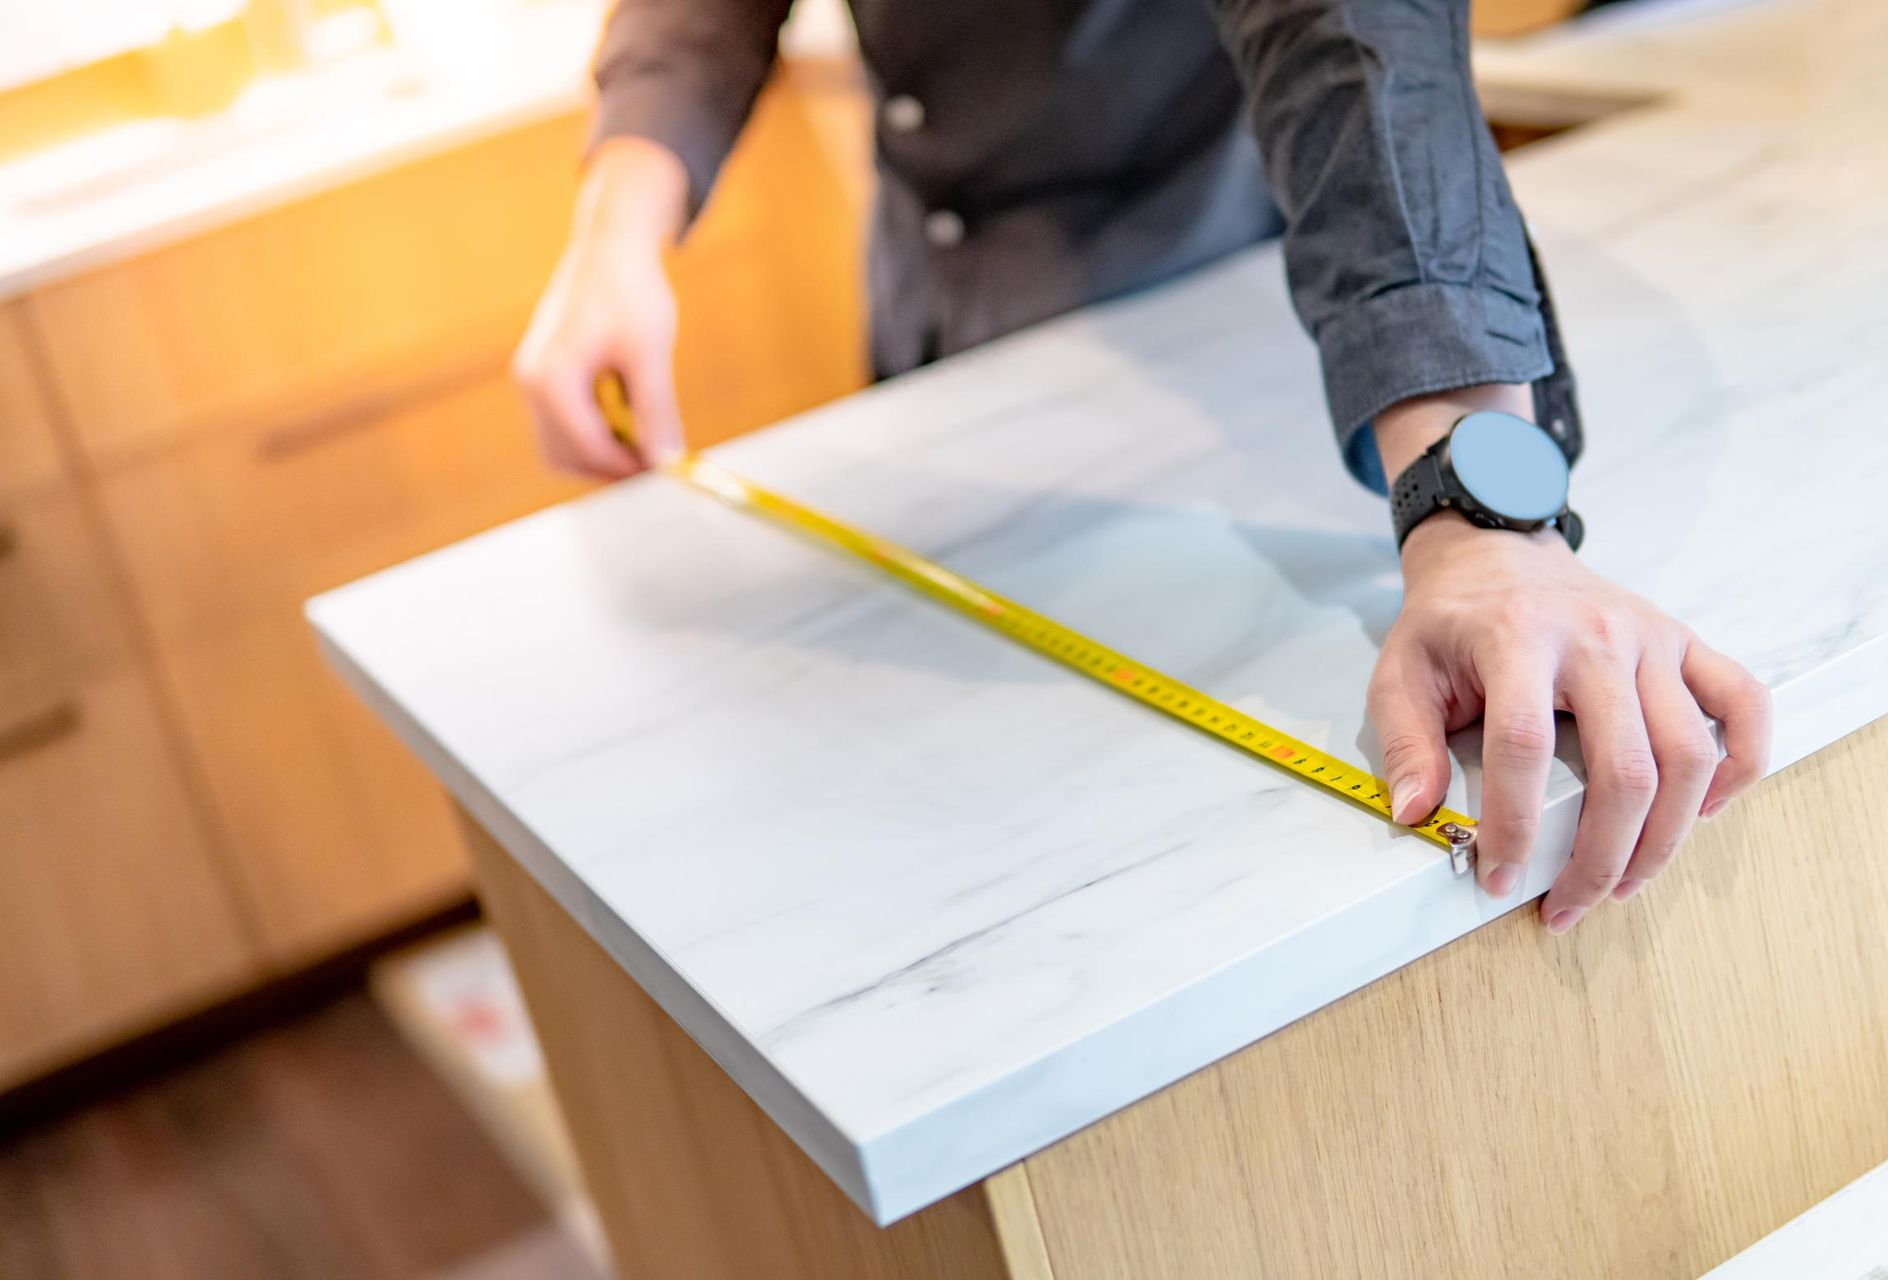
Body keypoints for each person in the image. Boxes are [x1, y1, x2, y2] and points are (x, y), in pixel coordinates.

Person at [514, 0, 1771, 933]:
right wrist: (621, 212)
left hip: (1231, 314)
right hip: (933, 320)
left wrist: (1474, 510)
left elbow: (1348, 32)